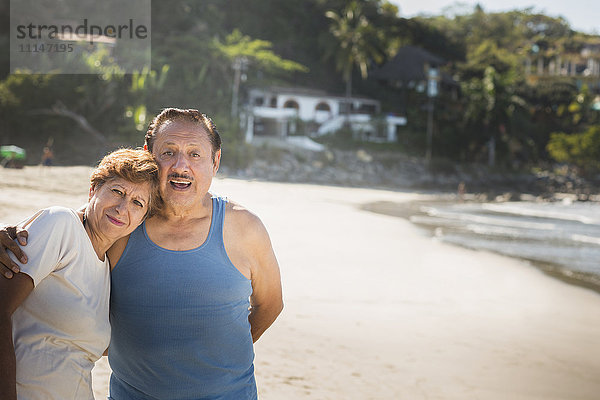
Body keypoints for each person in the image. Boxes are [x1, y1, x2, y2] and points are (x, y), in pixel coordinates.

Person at [1, 108, 284, 399]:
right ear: (150, 154)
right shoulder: (125, 227)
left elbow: (270, 305)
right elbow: (77, 224)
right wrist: (9, 233)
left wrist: (221, 359)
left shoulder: (245, 228)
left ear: (216, 160)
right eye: (169, 152)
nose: (181, 166)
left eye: (195, 154)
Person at [0, 148, 159, 400]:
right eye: (117, 191)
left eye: (137, 203)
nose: (122, 207)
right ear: (93, 189)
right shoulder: (61, 225)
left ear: (142, 220)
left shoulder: (108, 269)